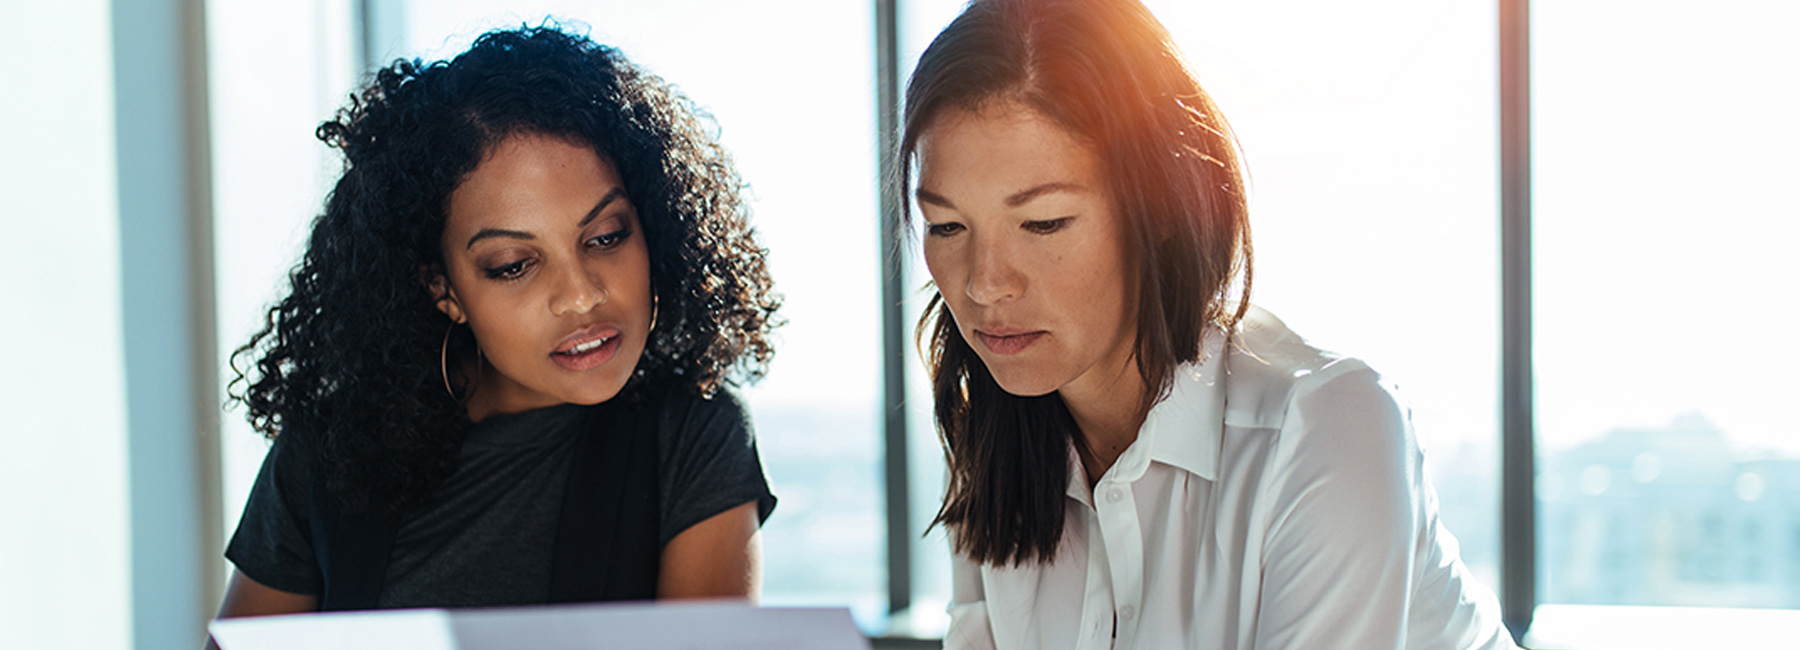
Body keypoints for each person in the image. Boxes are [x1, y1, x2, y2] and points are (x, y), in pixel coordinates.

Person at [901, 1, 1516, 648]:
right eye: (947, 226)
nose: (984, 282)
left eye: (1044, 222)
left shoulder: (1325, 426)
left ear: (1162, 203)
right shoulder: (991, 444)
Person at [212, 25, 781, 626]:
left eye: (607, 236)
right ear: (444, 290)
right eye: (514, 265)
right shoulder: (330, 448)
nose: (581, 295)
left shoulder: (694, 430)